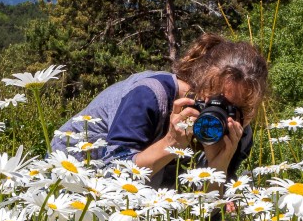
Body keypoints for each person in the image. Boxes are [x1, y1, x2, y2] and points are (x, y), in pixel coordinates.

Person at [52, 34, 269, 188]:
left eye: (236, 109)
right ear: (198, 85)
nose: (220, 116)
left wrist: (217, 166)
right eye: (214, 101)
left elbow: (206, 217)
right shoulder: (149, 96)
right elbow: (114, 177)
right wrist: (171, 143)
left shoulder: (238, 132)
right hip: (76, 171)